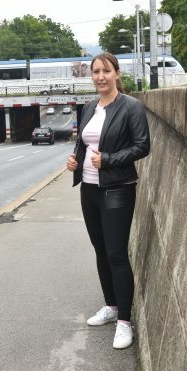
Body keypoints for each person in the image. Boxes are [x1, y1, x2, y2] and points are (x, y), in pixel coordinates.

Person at [66, 52, 150, 349]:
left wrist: (110, 160)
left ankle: (125, 322)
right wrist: (75, 159)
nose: (100, 76)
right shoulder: (88, 107)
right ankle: (111, 307)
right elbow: (83, 142)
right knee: (100, 250)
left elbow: (142, 146)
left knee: (116, 253)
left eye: (105, 71)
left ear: (116, 73)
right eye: (95, 72)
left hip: (117, 188)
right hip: (88, 189)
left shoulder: (131, 108)